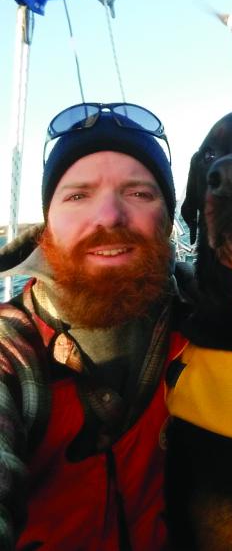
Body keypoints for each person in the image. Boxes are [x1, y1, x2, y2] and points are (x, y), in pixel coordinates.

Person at [0, 102, 189, 551]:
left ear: (168, 221)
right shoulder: (14, 349)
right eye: (78, 195)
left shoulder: (212, 329)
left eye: (140, 193)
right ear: (47, 223)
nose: (108, 216)